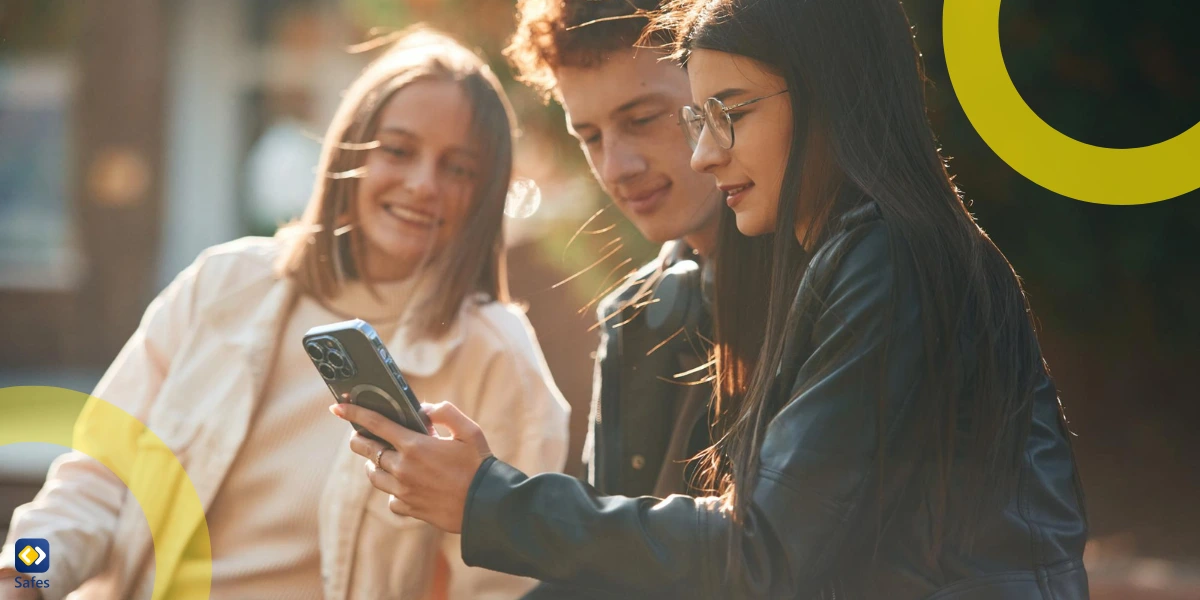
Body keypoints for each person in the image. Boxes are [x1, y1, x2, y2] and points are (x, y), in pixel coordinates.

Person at [333, 1, 1089, 598]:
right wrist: (484, 497)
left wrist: (490, 501)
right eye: (589, 135)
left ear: (825, 93)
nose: (694, 152)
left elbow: (765, 552)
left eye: (717, 113)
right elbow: (622, 579)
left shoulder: (885, 260)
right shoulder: (652, 308)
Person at [0, 27, 569, 600]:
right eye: (397, 150)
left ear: (486, 192)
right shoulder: (223, 282)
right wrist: (25, 579)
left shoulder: (498, 355)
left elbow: (504, 587)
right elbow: (92, 479)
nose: (423, 184)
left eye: (458, 168)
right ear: (349, 152)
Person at [505, 0, 729, 510]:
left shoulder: (842, 285)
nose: (615, 167)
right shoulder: (632, 316)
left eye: (643, 119)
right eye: (590, 137)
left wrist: (496, 505)